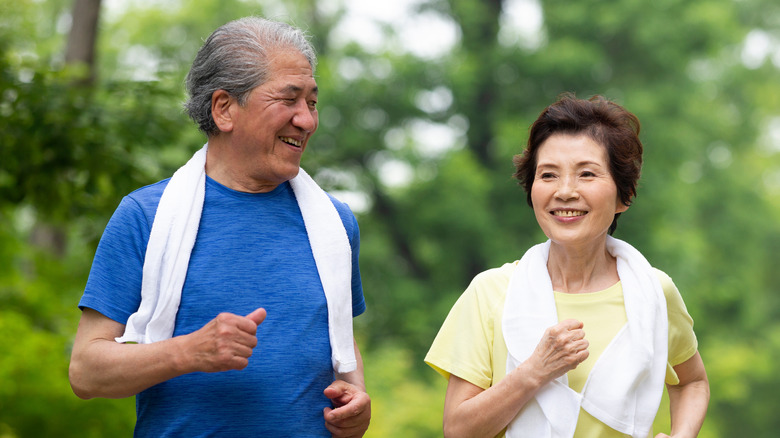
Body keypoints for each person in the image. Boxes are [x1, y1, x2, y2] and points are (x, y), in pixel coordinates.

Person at [69, 17, 371, 437]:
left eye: (312, 102)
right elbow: (85, 372)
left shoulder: (335, 224)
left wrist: (357, 401)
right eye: (289, 99)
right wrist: (188, 351)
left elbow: (340, 343)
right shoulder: (145, 216)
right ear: (224, 108)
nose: (307, 121)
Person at [425, 94, 709, 438]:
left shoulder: (654, 292)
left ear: (624, 195)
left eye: (586, 174)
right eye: (548, 175)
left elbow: (692, 381)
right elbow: (457, 430)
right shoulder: (490, 292)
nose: (565, 191)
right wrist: (534, 371)